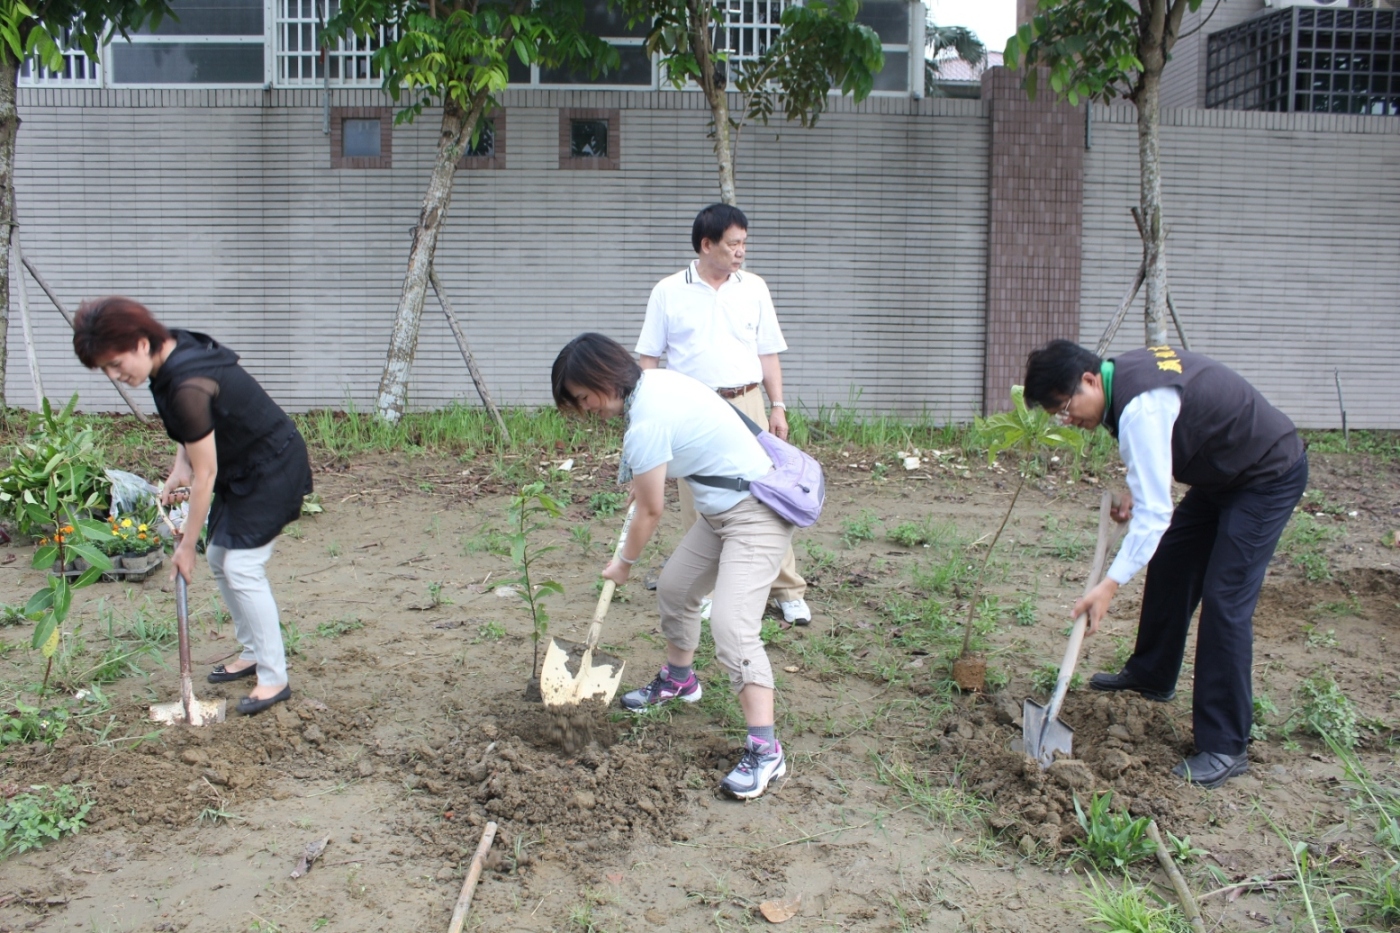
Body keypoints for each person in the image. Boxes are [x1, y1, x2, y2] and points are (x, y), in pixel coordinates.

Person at [1023, 340, 1307, 788]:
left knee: (1225, 599)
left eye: (1065, 406)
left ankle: (1225, 745)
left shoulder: (1139, 408)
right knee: (1174, 557)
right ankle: (1152, 673)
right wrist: (1139, 489)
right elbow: (1162, 448)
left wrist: (1110, 585)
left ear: (1089, 380)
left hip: (1265, 474)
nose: (1067, 419)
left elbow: (1156, 512)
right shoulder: (1122, 380)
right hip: (1222, 472)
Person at [553, 333, 793, 800]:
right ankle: (681, 680)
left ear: (601, 378)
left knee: (732, 625)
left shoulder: (646, 420)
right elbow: (679, 452)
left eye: (584, 399)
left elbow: (650, 512)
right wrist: (648, 478)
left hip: (757, 513)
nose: (588, 412)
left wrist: (622, 564)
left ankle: (766, 751)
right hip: (722, 511)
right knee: (676, 588)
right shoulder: (656, 384)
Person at [73, 297, 313, 716]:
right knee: (221, 556)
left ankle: (275, 679)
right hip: (244, 466)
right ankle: (254, 652)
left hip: (272, 467)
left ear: (141, 342)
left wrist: (185, 546)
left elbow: (206, 474)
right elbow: (196, 430)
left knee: (240, 566)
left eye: (116, 363)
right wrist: (177, 467)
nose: (115, 375)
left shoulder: (187, 381)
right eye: (106, 369)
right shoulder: (170, 352)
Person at [635, 203, 811, 626]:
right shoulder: (668, 291)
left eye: (744, 243)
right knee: (700, 501)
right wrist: (650, 414)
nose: (741, 252)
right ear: (706, 245)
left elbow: (767, 352)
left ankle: (787, 589)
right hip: (693, 409)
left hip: (747, 402)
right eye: (734, 244)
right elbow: (648, 359)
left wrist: (778, 406)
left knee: (769, 494)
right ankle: (710, 588)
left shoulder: (754, 288)